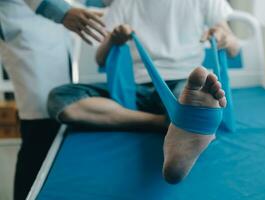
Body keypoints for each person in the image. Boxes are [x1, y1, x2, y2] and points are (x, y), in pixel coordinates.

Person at [47, 0, 240, 184]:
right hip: (135, 89)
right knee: (61, 98)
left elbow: (234, 48)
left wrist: (225, 38)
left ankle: (185, 117)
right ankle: (169, 121)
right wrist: (114, 40)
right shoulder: (123, 4)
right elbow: (101, 59)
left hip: (185, 83)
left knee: (193, 93)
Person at [0, 0, 111, 199]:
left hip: (54, 33)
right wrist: (61, 11)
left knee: (53, 131)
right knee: (40, 128)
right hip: (26, 30)